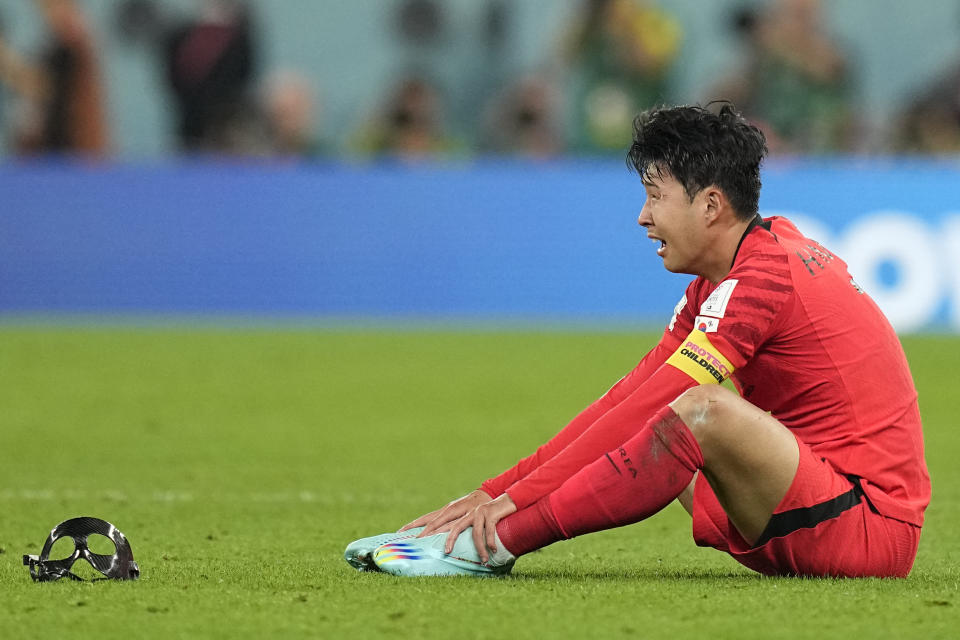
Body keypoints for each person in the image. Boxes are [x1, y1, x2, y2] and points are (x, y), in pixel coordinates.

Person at [345, 104, 930, 579]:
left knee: (698, 410)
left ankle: (493, 546)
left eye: (655, 196)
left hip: (866, 529)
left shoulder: (762, 279)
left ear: (709, 205)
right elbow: (633, 394)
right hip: (810, 508)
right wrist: (494, 490)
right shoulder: (731, 272)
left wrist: (511, 512)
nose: (642, 217)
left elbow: (664, 402)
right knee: (661, 408)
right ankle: (479, 532)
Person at [0, 0, 109, 157]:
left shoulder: (75, 46)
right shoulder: (51, 47)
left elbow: (41, 86)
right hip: (48, 150)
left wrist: (7, 63)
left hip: (73, 152)